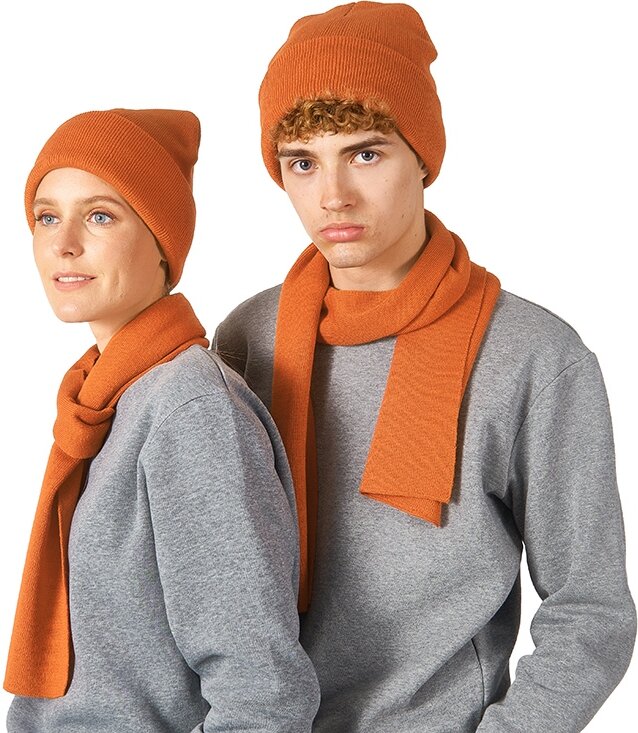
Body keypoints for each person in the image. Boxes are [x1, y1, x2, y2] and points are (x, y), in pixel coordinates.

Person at [213, 2, 636, 731]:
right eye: (303, 162)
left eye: (365, 153)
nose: (333, 195)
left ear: (422, 156)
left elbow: (590, 609)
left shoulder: (535, 356)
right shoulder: (247, 338)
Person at [4, 107, 320, 732]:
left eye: (100, 215)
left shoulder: (190, 410)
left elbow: (262, 693)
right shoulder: (104, 399)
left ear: (161, 240)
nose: (64, 243)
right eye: (47, 216)